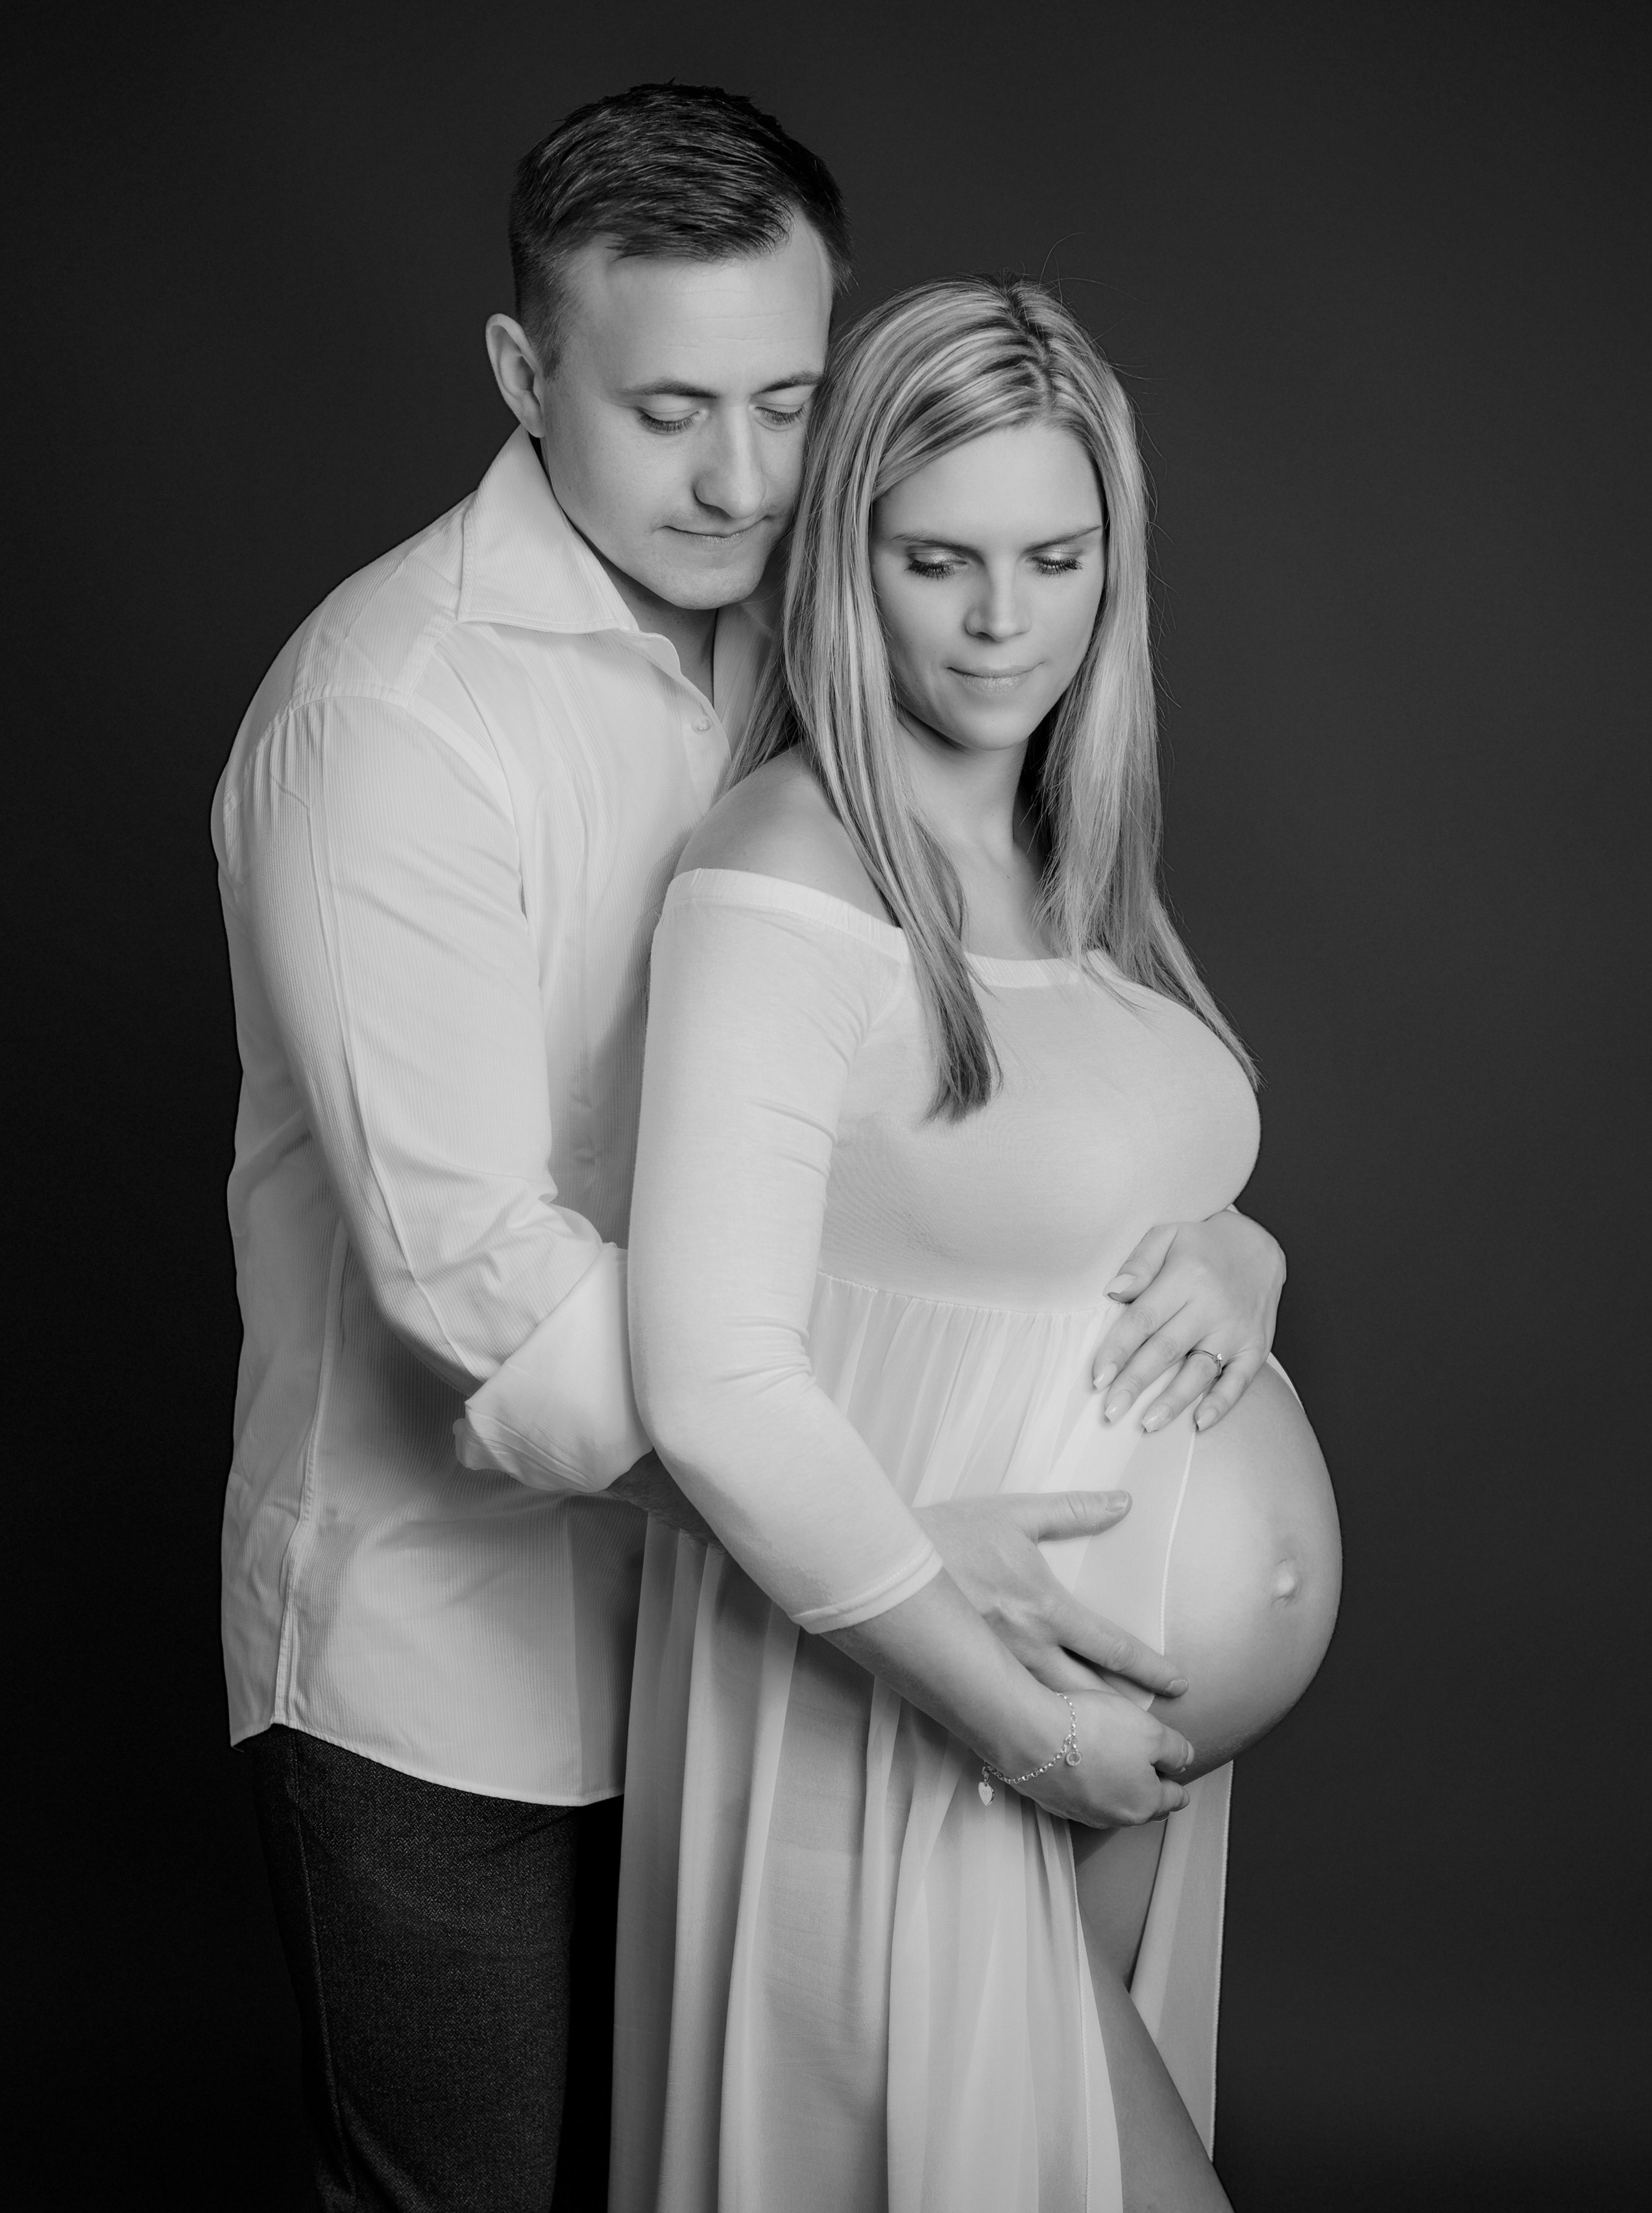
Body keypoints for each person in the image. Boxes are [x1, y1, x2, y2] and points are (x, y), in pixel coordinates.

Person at [213, 87, 1293, 2210]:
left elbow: (964, 1121)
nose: (739, 479)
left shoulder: (828, 659)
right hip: (469, 1668)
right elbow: (475, 1282)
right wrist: (874, 1525)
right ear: (528, 377)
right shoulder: (390, 718)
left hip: (787, 1660)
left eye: (791, 403)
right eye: (669, 409)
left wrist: (1217, 1233)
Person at [612, 278, 1342, 2211]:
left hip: (1100, 1747)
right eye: (941, 561)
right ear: (848, 555)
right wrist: (1022, 1730)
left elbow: (1058, 1187)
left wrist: (1243, 1260)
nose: (1006, 623)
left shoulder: (1062, 854)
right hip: (929, 1709)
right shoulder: (783, 874)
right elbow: (708, 1380)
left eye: (1057, 556)